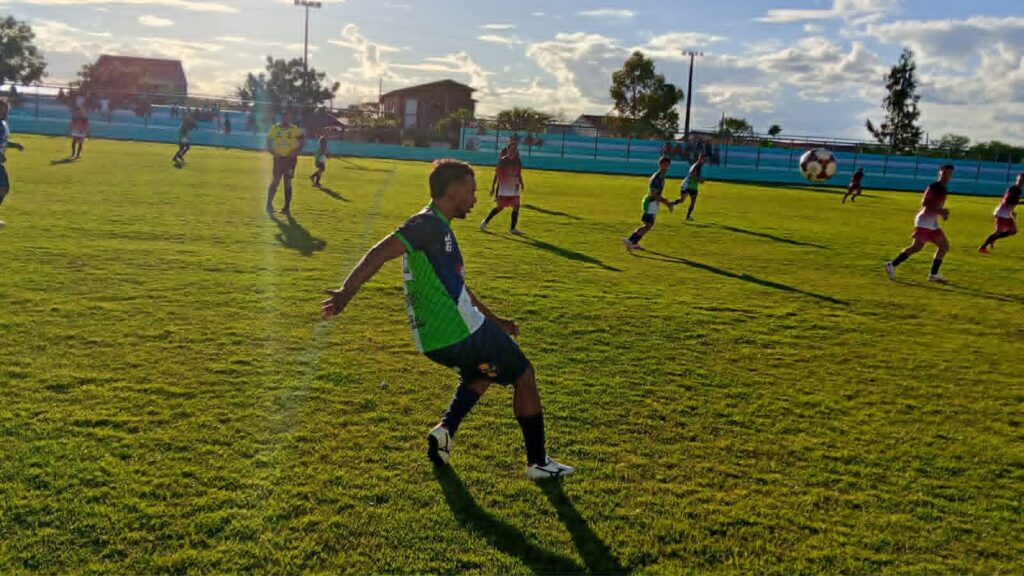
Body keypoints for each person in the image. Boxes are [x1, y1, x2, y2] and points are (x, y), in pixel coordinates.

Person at [320, 159, 574, 480]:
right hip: (461, 331)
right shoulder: (427, 225)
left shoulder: (438, 228)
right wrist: (346, 292)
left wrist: (496, 321)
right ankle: (538, 463)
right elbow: (379, 252)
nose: (475, 199)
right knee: (524, 374)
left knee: (481, 373)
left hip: (434, 340)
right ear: (453, 191)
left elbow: (458, 289)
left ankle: (445, 431)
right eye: (471, 191)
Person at [885, 164, 955, 283]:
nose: (947, 176)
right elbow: (925, 203)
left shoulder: (943, 189)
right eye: (944, 173)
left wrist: (943, 213)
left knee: (944, 247)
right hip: (924, 221)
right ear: (940, 173)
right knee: (917, 247)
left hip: (932, 223)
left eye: (949, 174)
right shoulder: (934, 186)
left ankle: (933, 274)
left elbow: (937, 206)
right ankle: (891, 264)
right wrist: (940, 211)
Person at [623, 156, 674, 251]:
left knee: (648, 226)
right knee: (647, 226)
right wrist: (667, 203)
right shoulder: (658, 177)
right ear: (660, 165)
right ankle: (629, 240)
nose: (667, 167)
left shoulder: (661, 176)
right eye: (665, 165)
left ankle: (634, 243)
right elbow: (655, 195)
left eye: (668, 165)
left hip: (652, 203)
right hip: (651, 203)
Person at [479, 139, 526, 235]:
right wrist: (493, 187)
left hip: (514, 187)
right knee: (500, 208)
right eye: (511, 149)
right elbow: (497, 174)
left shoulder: (518, 161)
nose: (513, 151)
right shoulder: (504, 160)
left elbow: (518, 173)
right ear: (508, 150)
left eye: (515, 149)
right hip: (504, 188)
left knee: (516, 207)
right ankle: (485, 222)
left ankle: (513, 228)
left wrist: (521, 183)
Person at [265, 110, 306, 215]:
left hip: (290, 161)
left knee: (287, 182)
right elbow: (268, 141)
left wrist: (295, 152)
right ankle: (269, 205)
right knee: (275, 181)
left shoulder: (294, 129)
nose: (286, 119)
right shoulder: (275, 128)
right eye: (285, 117)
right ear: (282, 117)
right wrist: (273, 152)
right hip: (278, 160)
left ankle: (286, 208)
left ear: (290, 118)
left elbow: (302, 140)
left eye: (288, 117)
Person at [978, 173, 1024, 254]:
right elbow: (1007, 201)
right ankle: (983, 247)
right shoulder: (1014, 189)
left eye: (1022, 180)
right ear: (1017, 179)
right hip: (1001, 213)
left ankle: (993, 238)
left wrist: (1012, 211)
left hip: (1006, 213)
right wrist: (1021, 203)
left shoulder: (1017, 189)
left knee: (1013, 231)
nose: (1020, 181)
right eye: (1019, 179)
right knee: (999, 232)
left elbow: (1010, 201)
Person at [0, 98, 26, 229]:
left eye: (7, 109)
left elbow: (3, 142)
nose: (6, 112)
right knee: (3, 188)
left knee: (3, 188)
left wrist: (15, 145)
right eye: (3, 109)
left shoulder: (3, 124)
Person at [671, 153, 706, 221]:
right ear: (699, 158)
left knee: (688, 201)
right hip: (689, 185)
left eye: (704, 159)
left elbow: (694, 174)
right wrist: (699, 180)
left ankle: (687, 216)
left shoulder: (699, 166)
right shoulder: (696, 165)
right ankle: (671, 204)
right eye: (702, 159)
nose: (704, 161)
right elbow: (691, 173)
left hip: (692, 186)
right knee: (685, 201)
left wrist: (699, 179)